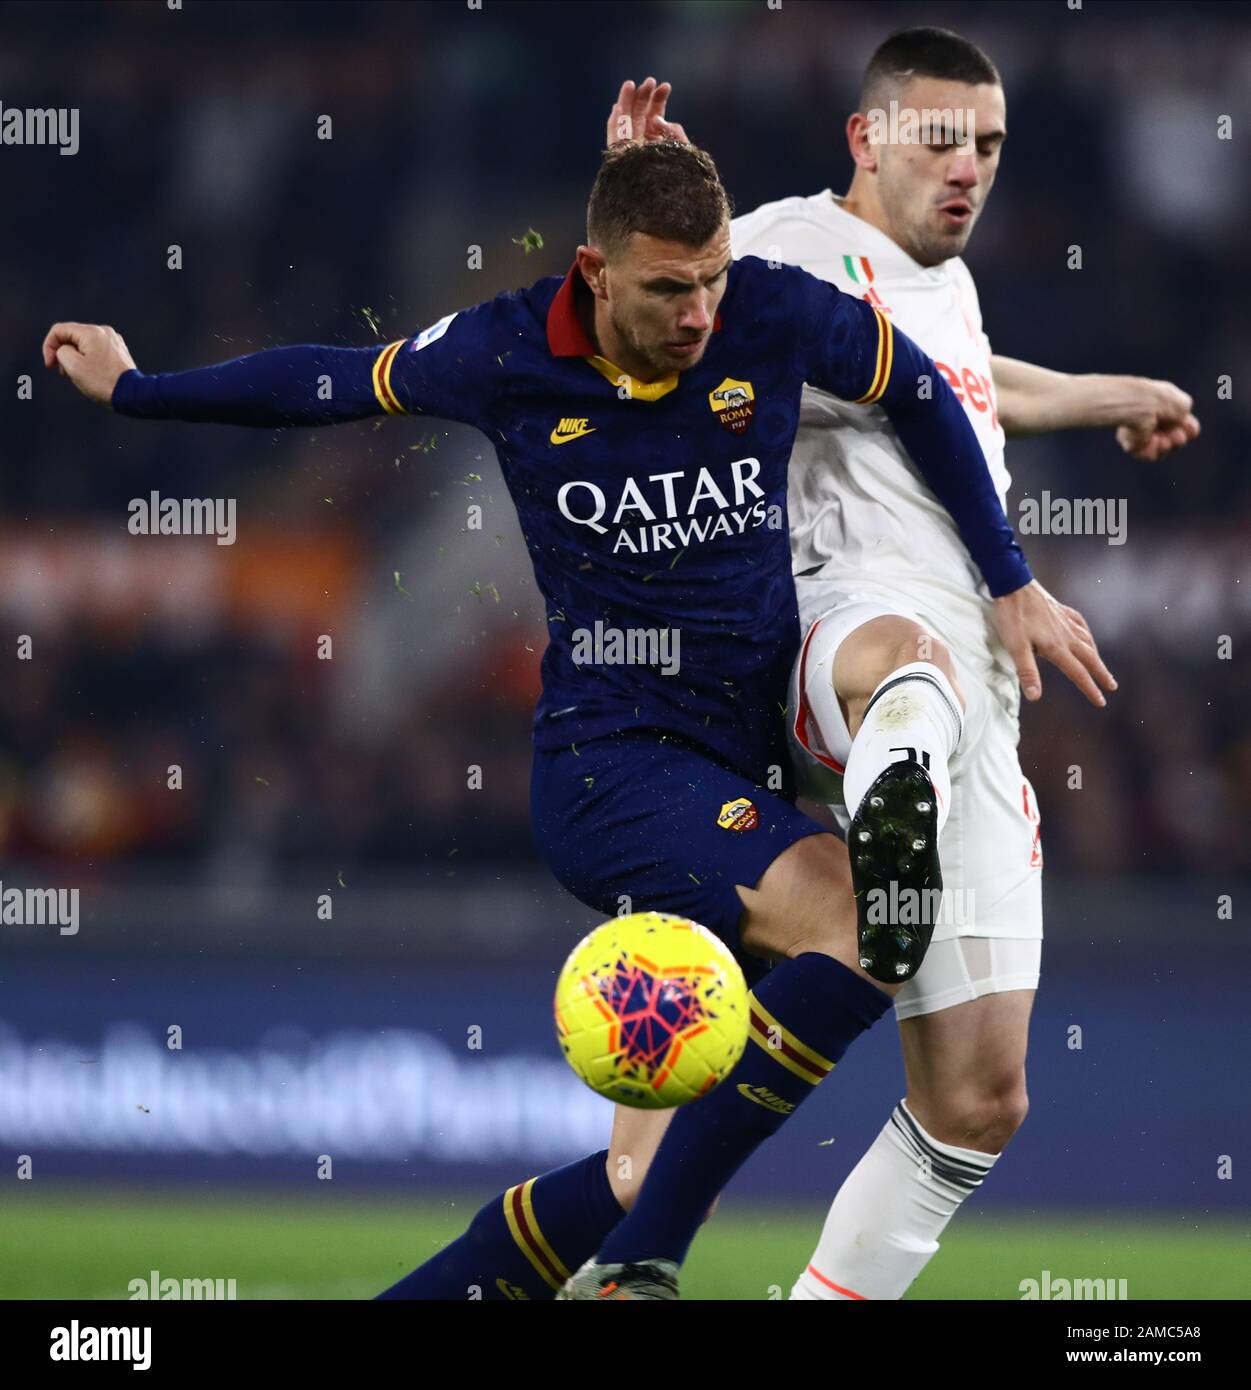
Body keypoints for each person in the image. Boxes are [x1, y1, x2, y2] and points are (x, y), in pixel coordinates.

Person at [45, 139, 1101, 1302]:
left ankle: (555, 1259)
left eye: (709, 279)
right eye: (667, 288)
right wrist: (139, 388)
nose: (700, 311)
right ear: (594, 273)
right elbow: (333, 381)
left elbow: (919, 390)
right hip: (615, 768)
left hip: (741, 762)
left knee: (630, 1168)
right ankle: (647, 1269)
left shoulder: (770, 310)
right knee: (859, 924)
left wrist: (1008, 574)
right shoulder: (505, 347)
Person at [608, 28, 1197, 1302]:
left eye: (987, 143)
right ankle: (878, 832)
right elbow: (637, 324)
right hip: (840, 636)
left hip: (979, 701)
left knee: (981, 1100)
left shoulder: (946, 278)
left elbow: (964, 384)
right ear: (864, 138)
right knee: (907, 667)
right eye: (940, 138)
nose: (968, 166)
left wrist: (1113, 392)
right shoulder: (775, 248)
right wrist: (637, 203)